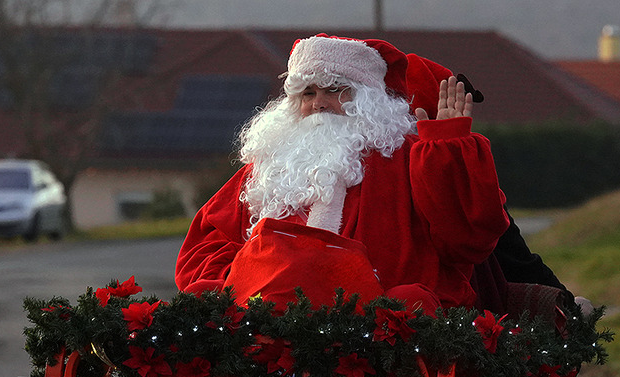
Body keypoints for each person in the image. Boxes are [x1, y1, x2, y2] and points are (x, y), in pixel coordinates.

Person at [175, 34, 511, 314]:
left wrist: (449, 150)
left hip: (378, 328)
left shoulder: (411, 156)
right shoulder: (270, 167)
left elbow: (468, 240)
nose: (319, 103)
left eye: (334, 89)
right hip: (269, 327)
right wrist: (235, 288)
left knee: (413, 304)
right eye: (308, 92)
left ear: (368, 98)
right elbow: (206, 247)